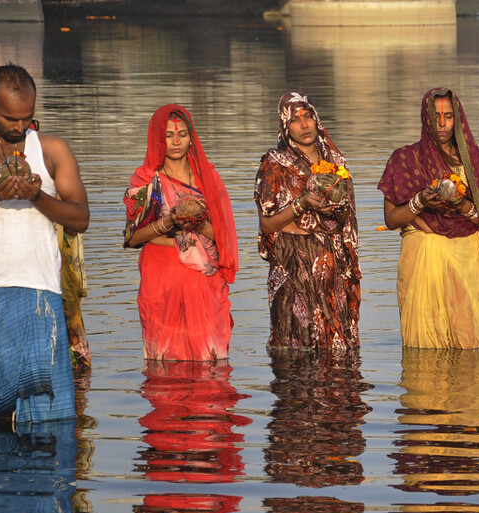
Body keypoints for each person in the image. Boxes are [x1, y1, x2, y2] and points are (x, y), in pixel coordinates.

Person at [0, 64, 89, 427]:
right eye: (10, 118)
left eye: (27, 118)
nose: (19, 127)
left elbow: (81, 218)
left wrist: (37, 195)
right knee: (0, 406)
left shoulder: (53, 149)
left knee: (51, 408)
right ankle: (3, 478)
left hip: (42, 288)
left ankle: (51, 479)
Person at [378, 87, 479, 349]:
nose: (441, 124)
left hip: (466, 261)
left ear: (458, 119)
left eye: (448, 116)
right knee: (424, 347)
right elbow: (390, 220)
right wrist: (420, 201)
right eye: (435, 115)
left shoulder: (471, 162)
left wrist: (461, 205)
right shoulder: (404, 159)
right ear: (425, 118)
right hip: (420, 257)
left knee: (470, 345)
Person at [124, 104, 238, 361]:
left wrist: (194, 223)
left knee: (210, 363)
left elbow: (223, 236)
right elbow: (131, 239)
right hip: (161, 279)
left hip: (203, 280)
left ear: (191, 137)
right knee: (164, 366)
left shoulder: (208, 180)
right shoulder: (147, 182)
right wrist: (169, 221)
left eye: (182, 134)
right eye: (168, 135)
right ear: (157, 139)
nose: (176, 141)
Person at [255, 91, 359, 351]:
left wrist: (332, 208)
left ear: (316, 119)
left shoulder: (335, 163)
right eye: (295, 120)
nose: (304, 125)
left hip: (331, 264)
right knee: (295, 348)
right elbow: (267, 224)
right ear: (285, 126)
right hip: (293, 266)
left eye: (308, 117)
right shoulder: (274, 164)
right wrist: (304, 203)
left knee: (337, 351)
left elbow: (347, 219)